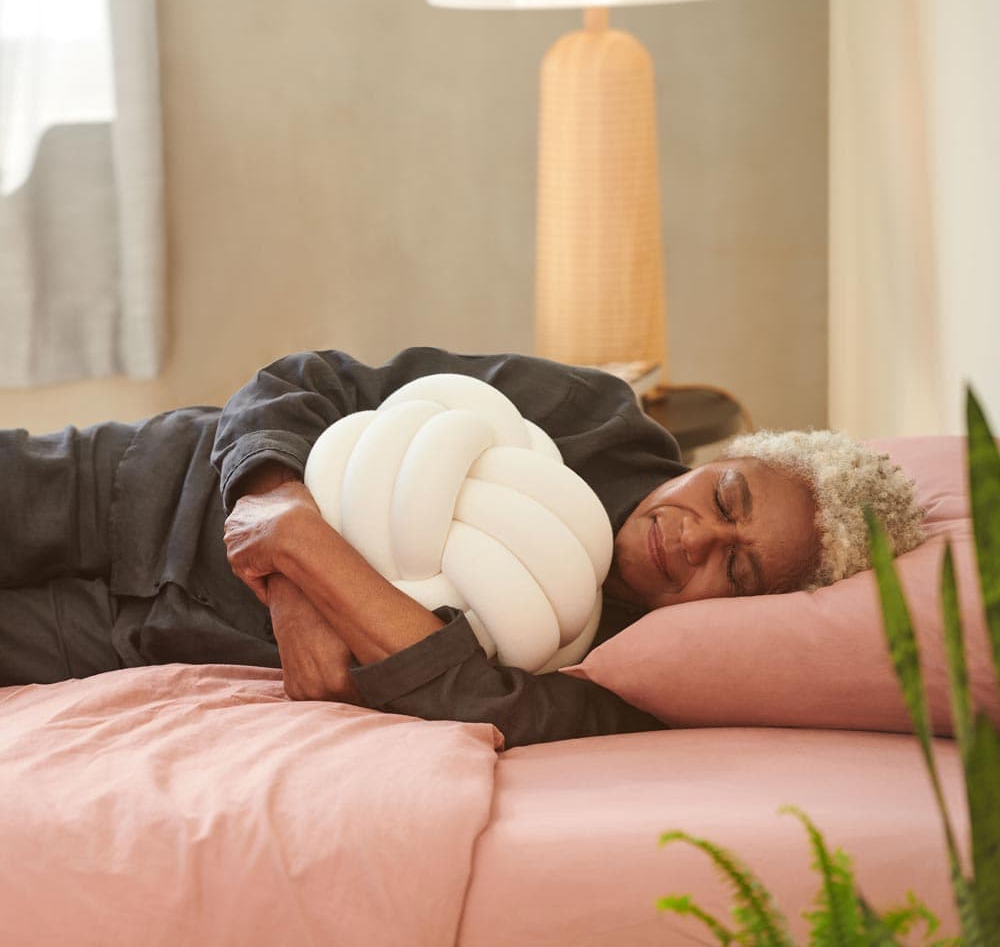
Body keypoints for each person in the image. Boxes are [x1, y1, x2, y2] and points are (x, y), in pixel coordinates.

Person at [0, 347, 925, 747]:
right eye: (723, 498)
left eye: (739, 569)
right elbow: (304, 381)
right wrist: (282, 525)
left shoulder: (634, 680)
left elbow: (476, 701)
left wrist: (307, 561)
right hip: (136, 483)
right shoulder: (591, 415)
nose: (695, 539)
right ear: (721, 460)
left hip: (143, 638)